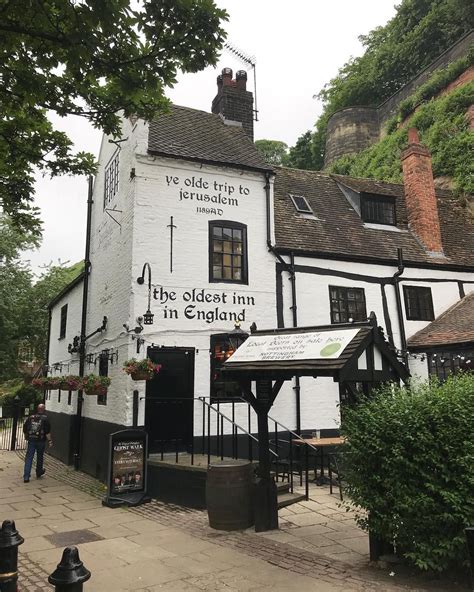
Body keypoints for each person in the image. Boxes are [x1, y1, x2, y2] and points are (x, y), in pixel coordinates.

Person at [23, 403, 52, 483]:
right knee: (40, 456)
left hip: (31, 440)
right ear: (44, 410)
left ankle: (26, 476)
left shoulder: (31, 418)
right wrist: (50, 441)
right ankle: (39, 472)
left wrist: (26, 436)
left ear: (37, 409)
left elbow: (25, 428)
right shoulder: (45, 419)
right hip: (41, 441)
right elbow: (47, 432)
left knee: (29, 457)